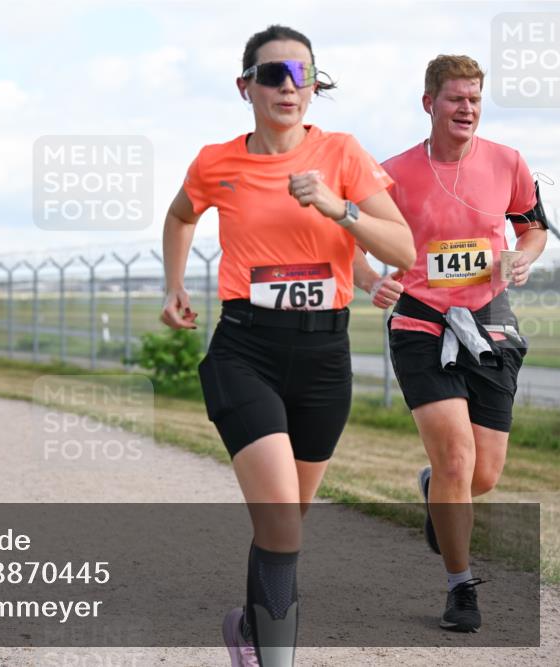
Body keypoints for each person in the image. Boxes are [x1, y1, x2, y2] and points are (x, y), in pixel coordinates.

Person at [160, 25, 415, 666]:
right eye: (274, 74)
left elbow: (405, 250)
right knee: (279, 517)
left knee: (288, 523)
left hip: (325, 358)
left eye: (303, 74)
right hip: (245, 349)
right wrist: (173, 286)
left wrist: (338, 207)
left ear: (315, 85)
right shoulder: (216, 162)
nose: (289, 87)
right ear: (245, 85)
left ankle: (251, 626)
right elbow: (180, 215)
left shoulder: (343, 154)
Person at [354, 54, 549, 634]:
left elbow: (532, 226)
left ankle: (431, 486)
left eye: (475, 100)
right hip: (420, 322)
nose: (467, 109)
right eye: (456, 99)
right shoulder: (391, 174)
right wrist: (373, 278)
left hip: (489, 321)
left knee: (481, 475)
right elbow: (348, 234)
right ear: (429, 104)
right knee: (457, 459)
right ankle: (461, 589)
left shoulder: (509, 162)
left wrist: (522, 255)